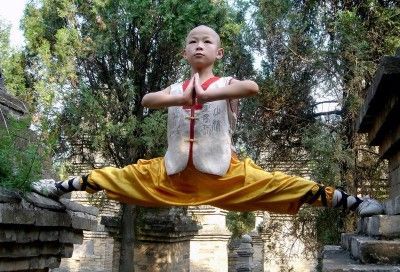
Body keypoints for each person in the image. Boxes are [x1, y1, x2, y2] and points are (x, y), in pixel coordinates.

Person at [33, 25, 384, 217]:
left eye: (207, 41)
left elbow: (253, 87)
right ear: (185, 52)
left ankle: (353, 202)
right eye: (193, 42)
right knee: (114, 176)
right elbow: (147, 100)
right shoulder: (175, 87)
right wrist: (183, 98)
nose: (199, 46)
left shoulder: (227, 84)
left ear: (218, 52)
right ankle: (57, 187)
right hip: (171, 174)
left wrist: (206, 96)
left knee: (284, 185)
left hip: (222, 175)